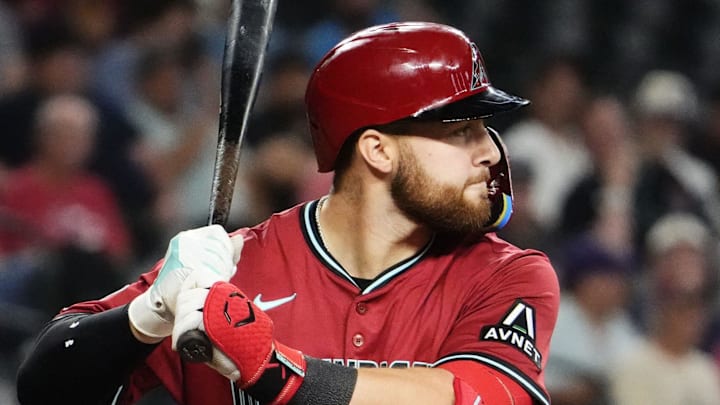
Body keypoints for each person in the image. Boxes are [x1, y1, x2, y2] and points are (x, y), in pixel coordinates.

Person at [16, 22, 560, 405]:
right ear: (378, 151)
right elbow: (44, 388)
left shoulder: (508, 274)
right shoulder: (234, 263)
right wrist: (152, 311)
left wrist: (275, 371)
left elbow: (481, 396)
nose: (489, 151)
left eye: (485, 130)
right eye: (461, 132)